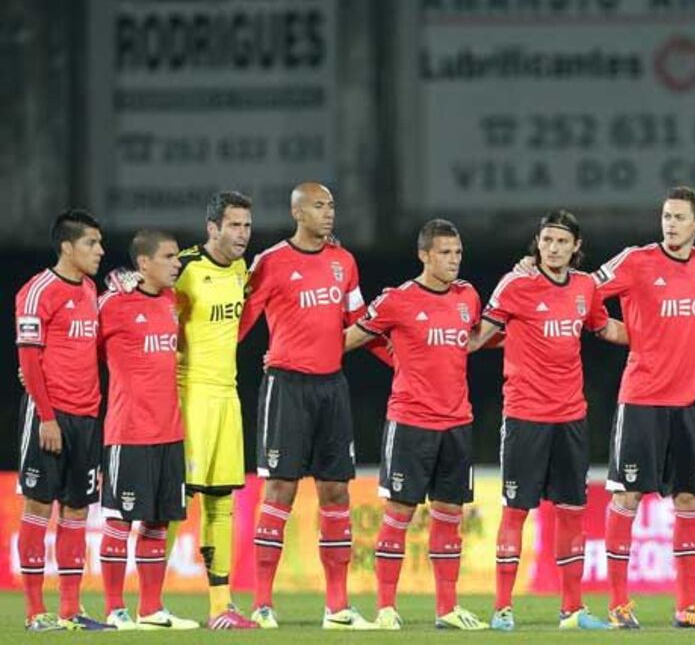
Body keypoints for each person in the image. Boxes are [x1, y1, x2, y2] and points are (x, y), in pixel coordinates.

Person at [471, 210, 626, 631]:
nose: (552, 248)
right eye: (546, 240)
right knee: (516, 511)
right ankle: (503, 609)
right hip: (525, 416)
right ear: (537, 244)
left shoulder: (585, 287)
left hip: (571, 417)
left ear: (576, 247)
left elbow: (606, 329)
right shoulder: (515, 285)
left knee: (572, 512)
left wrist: (664, 341)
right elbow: (478, 336)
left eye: (561, 241)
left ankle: (572, 611)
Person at [590, 187, 695, 629]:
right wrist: (610, 329)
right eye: (666, 216)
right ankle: (618, 604)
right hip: (641, 401)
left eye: (679, 217)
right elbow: (582, 292)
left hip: (690, 403)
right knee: (627, 497)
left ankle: (687, 607)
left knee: (689, 501)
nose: (670, 223)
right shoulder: (635, 260)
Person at [239, 183, 378, 629]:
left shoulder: (344, 262)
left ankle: (337, 607)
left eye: (332, 205)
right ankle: (262, 604)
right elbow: (237, 325)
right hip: (286, 387)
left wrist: (328, 349)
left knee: (336, 491)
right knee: (279, 489)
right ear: (298, 212)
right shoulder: (270, 262)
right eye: (320, 206)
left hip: (331, 388)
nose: (329, 213)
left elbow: (359, 323)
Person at [343, 219, 488, 630]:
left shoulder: (468, 297)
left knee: (449, 515)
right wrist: (293, 354)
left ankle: (447, 610)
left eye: (458, 253)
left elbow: (477, 337)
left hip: (457, 422)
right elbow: (350, 338)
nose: (454, 260)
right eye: (445, 253)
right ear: (424, 255)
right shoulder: (397, 300)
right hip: (410, 422)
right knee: (398, 514)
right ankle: (386, 609)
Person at [15, 209, 110, 632]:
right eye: (92, 243)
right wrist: (47, 417)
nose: (100, 251)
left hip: (87, 417)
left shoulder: (91, 290)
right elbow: (29, 360)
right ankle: (37, 614)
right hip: (48, 416)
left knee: (77, 511)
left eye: (101, 243)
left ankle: (71, 610)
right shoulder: (37, 291)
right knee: (38, 506)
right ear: (67, 246)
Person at [97, 230, 198, 630]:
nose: (177, 263)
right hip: (129, 432)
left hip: (170, 432)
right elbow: (79, 346)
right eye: (169, 257)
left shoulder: (173, 302)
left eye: (177, 256)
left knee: (158, 522)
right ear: (143, 263)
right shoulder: (113, 304)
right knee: (120, 522)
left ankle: (151, 609)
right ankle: (114, 608)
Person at [171, 191, 257, 629]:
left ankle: (220, 607)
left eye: (247, 225)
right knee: (176, 499)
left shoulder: (242, 269)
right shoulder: (184, 268)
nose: (243, 234)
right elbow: (137, 303)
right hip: (191, 395)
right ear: (212, 229)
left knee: (220, 501)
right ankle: (148, 604)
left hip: (228, 395)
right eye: (235, 225)